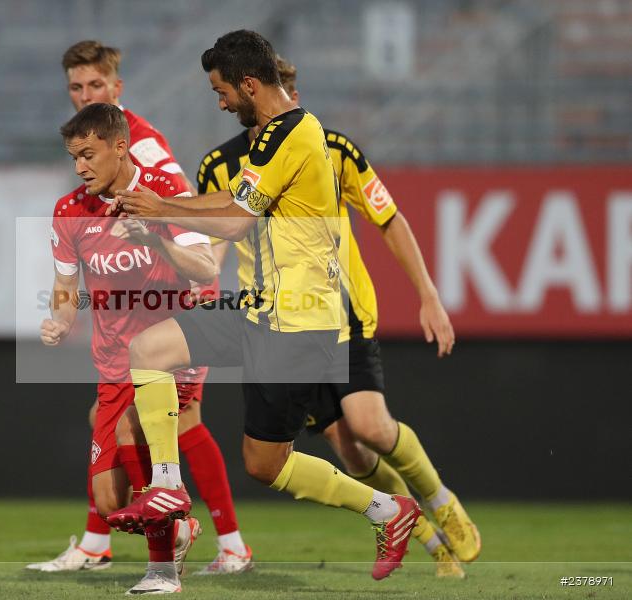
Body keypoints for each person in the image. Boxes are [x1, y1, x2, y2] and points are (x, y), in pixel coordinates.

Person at [106, 31, 421, 592]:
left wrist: (161, 208)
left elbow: (233, 223)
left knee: (266, 464)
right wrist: (161, 214)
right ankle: (169, 485)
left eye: (222, 91)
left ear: (250, 84)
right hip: (261, 309)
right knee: (149, 349)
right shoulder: (276, 133)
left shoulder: (296, 133)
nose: (221, 102)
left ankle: (388, 511)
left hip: (300, 324)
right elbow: (229, 202)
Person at [198, 56, 479, 577]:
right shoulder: (218, 167)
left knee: (370, 425)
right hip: (275, 327)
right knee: (349, 452)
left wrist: (429, 295)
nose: (294, 104)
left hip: (340, 311)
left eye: (296, 92)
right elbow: (215, 245)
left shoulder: (333, 149)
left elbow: (388, 218)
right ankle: (427, 537)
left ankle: (440, 498)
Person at [27, 40, 251, 575]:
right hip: (123, 331)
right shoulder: (80, 186)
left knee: (158, 425)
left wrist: (165, 244)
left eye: (94, 86)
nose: (84, 96)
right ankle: (180, 536)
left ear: (116, 91)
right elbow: (68, 278)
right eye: (75, 88)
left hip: (175, 315)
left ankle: (170, 551)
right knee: (154, 433)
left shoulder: (146, 151)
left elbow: (188, 217)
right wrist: (60, 317)